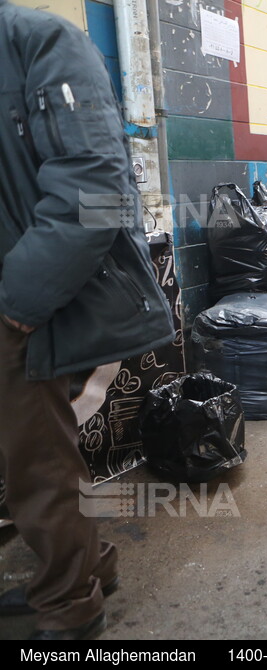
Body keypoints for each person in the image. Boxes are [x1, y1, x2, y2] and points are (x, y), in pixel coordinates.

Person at [0, 0, 175, 640]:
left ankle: (71, 608)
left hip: (24, 303)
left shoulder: (40, 42)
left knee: (37, 464)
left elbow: (99, 189)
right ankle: (87, 568)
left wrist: (18, 305)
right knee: (39, 456)